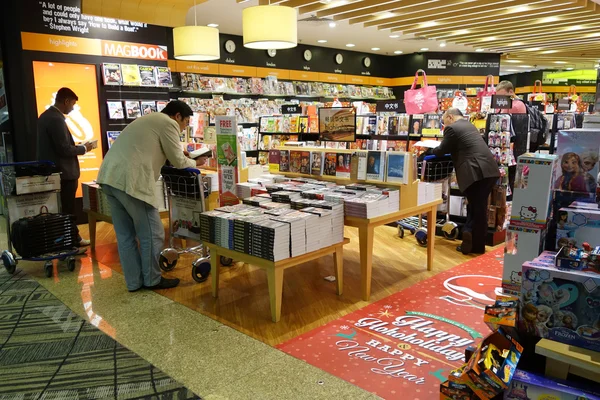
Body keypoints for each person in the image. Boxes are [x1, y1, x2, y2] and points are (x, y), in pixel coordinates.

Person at [97, 100, 207, 292]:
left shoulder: (149, 119)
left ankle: (134, 282)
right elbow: (179, 161)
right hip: (131, 182)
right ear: (178, 116)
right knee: (152, 233)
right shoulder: (167, 122)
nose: (183, 128)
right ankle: (152, 280)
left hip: (110, 177)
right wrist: (197, 162)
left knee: (125, 236)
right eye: (185, 123)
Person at [433, 108, 500, 255]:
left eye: (444, 121)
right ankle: (476, 244)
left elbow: (442, 149)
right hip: (490, 170)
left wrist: (429, 150)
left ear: (450, 117)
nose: (444, 125)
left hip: (474, 172)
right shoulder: (470, 125)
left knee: (476, 208)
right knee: (479, 207)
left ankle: (469, 235)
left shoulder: (452, 128)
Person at [37, 87, 94, 252]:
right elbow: (63, 149)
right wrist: (84, 148)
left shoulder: (45, 117)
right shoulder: (56, 119)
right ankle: (71, 243)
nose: (73, 108)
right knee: (67, 209)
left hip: (54, 171)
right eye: (73, 104)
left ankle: (69, 239)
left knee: (62, 209)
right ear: (66, 101)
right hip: (64, 173)